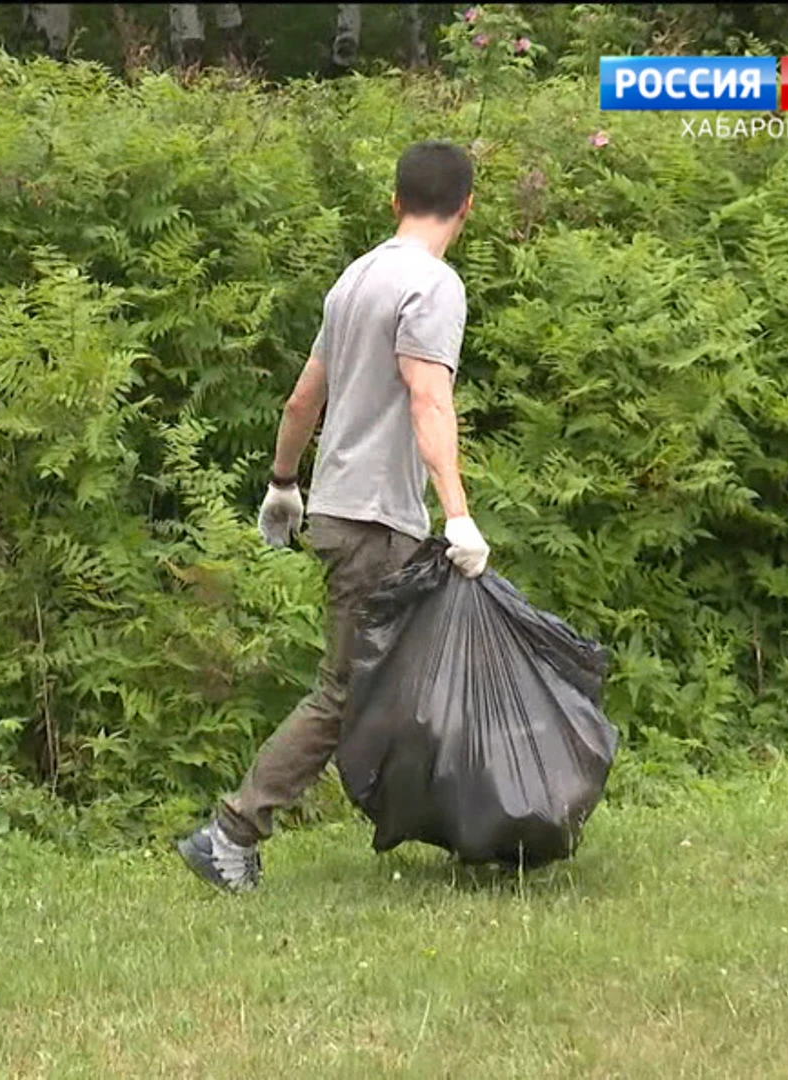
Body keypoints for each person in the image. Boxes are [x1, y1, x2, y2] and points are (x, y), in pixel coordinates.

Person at [176, 140, 490, 892]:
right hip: (381, 523)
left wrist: (283, 481)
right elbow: (428, 398)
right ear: (467, 208)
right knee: (347, 689)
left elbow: (301, 399)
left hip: (341, 510)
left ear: (394, 201)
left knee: (412, 677)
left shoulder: (355, 279)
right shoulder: (433, 286)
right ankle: (231, 831)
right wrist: (458, 513)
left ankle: (476, 823)